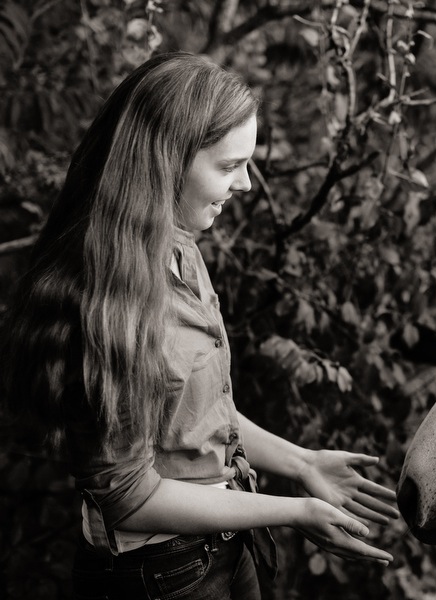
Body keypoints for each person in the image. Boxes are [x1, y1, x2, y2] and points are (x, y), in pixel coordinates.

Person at [0, 52, 397, 599]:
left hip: (226, 546)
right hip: (160, 576)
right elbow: (130, 495)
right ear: (166, 162)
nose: (247, 186)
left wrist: (300, 462)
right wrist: (292, 510)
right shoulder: (105, 298)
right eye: (229, 166)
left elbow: (196, 412)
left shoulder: (181, 252)